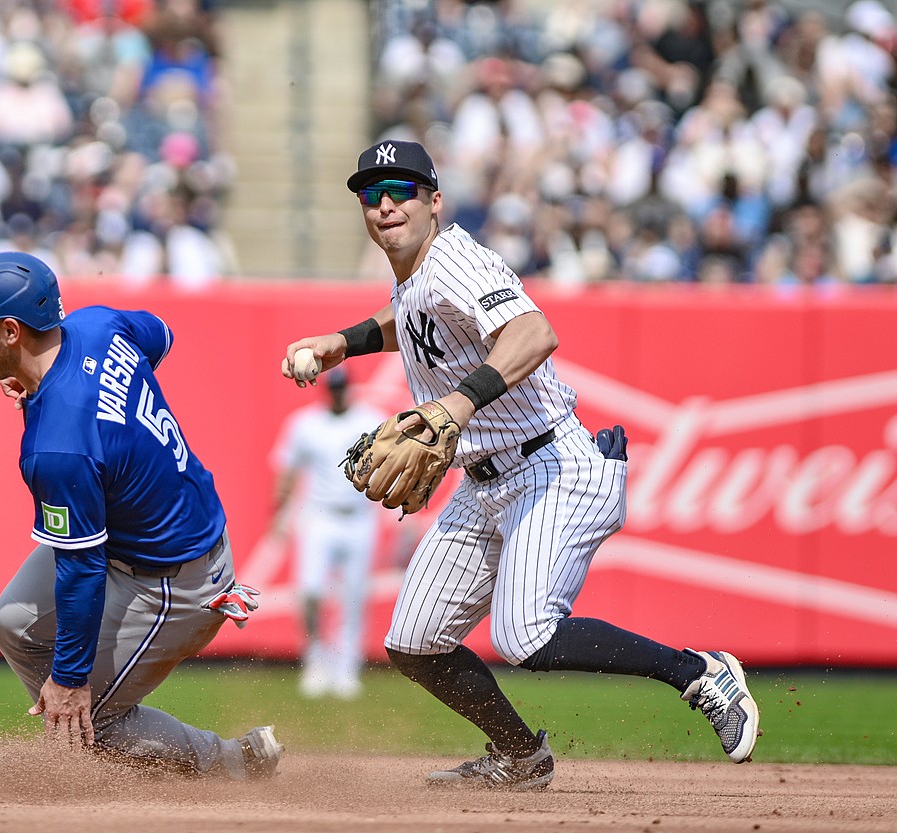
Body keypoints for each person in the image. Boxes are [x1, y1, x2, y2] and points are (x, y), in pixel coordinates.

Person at [280, 140, 759, 790]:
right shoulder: (419, 274)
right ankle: (519, 755)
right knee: (413, 641)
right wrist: (345, 341)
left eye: (402, 190)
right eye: (372, 193)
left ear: (435, 201)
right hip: (484, 485)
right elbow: (411, 316)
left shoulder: (455, 258)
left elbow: (535, 333)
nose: (387, 203)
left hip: (551, 465)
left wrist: (456, 402)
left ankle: (700, 671)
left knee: (524, 634)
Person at [0, 251, 282, 779]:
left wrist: (71, 681)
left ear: (10, 331)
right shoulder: (97, 324)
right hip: (147, 542)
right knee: (9, 623)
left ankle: (234, 762)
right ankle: (83, 745)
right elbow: (159, 335)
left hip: (174, 582)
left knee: (90, 709)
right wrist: (81, 394)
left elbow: (81, 570)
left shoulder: (59, 446)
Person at [269, 367, 384, 699]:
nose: (337, 393)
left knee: (353, 596)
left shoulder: (370, 420)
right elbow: (288, 468)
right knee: (310, 591)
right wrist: (278, 513)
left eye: (342, 387)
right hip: (318, 515)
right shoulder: (306, 423)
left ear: (350, 387)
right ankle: (316, 658)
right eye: (333, 388)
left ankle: (347, 668)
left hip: (360, 516)